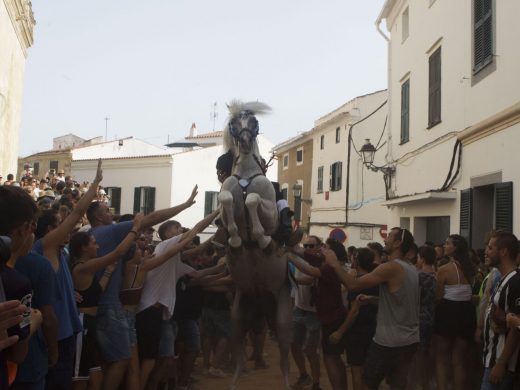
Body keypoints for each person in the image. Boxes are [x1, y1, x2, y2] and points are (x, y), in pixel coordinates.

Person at [87, 185, 199, 390]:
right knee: (124, 362)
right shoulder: (110, 231)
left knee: (113, 364)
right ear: (98, 217)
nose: (110, 212)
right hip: (112, 309)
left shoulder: (92, 235)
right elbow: (154, 217)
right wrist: (184, 205)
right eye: (105, 210)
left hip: (104, 307)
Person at [322, 227, 420, 390]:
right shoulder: (410, 268)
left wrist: (333, 263)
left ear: (398, 243)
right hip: (409, 340)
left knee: (366, 384)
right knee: (398, 385)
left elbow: (352, 284)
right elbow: (401, 301)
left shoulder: (391, 267)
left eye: (389, 236)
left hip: (388, 342)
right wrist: (373, 299)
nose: (386, 239)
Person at [68, 214, 144, 390]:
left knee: (95, 377)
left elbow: (97, 292)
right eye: (94, 243)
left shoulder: (87, 267)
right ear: (84, 248)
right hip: (83, 324)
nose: (98, 246)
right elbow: (117, 253)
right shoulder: (83, 266)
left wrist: (109, 272)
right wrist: (134, 228)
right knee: (80, 378)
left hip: (91, 323)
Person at [289, 238, 348, 390]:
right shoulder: (327, 265)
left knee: (330, 358)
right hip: (326, 315)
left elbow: (310, 272)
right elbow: (307, 258)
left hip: (329, 316)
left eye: (326, 248)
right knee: (332, 358)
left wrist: (288, 255)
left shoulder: (329, 268)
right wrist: (291, 248)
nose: (323, 250)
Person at [330, 247, 379, 390]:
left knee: (357, 371)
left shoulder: (356, 283)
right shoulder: (376, 280)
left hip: (356, 332)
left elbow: (354, 312)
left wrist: (340, 332)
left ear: (356, 261)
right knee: (369, 373)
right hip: (374, 330)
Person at [434, 234, 476, 390]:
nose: (444, 246)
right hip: (466, 312)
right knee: (458, 359)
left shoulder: (444, 269)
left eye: (447, 243)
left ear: (455, 248)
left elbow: (437, 297)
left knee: (441, 358)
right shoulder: (471, 268)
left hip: (447, 311)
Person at [481, 232, 520, 390]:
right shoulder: (502, 278)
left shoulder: (515, 282)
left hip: (501, 362)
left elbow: (516, 328)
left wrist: (501, 363)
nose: (486, 252)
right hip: (491, 357)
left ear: (503, 251)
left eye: (490, 248)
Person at [290, 235, 322, 390]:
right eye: (306, 246)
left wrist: (289, 279)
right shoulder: (300, 260)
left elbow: (310, 280)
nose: (308, 248)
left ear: (318, 247)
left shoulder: (321, 263)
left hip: (315, 312)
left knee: (311, 350)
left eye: (311, 246)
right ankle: (304, 375)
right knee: (294, 344)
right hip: (299, 308)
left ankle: (316, 383)